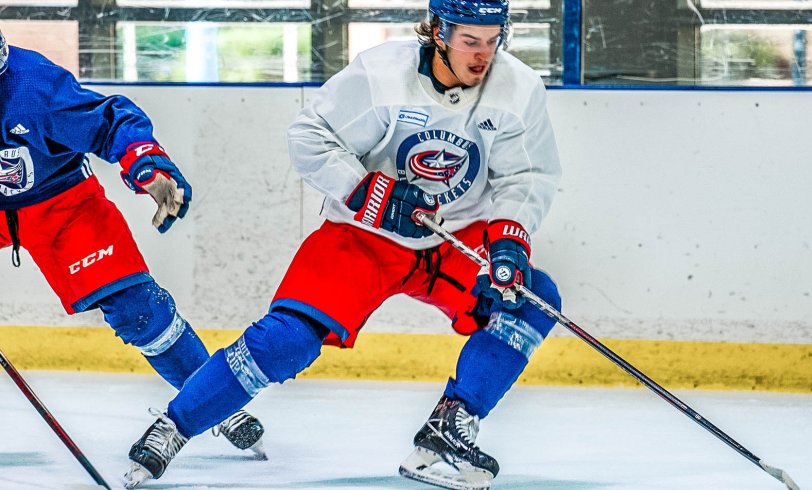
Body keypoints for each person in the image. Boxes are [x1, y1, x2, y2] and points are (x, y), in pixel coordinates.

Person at [124, 0, 562, 488]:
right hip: (365, 236)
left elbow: (527, 174)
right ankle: (174, 426)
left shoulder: (518, 89)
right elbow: (309, 137)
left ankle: (449, 425)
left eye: (492, 40)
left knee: (529, 298)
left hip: (452, 239)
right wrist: (370, 191)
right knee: (287, 340)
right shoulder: (382, 75)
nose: (484, 55)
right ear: (439, 32)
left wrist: (509, 235)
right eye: (470, 41)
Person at [0, 29, 266, 479]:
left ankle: (210, 396)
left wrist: (150, 167)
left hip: (58, 204)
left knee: (139, 311)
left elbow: (111, 122)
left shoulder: (33, 88)